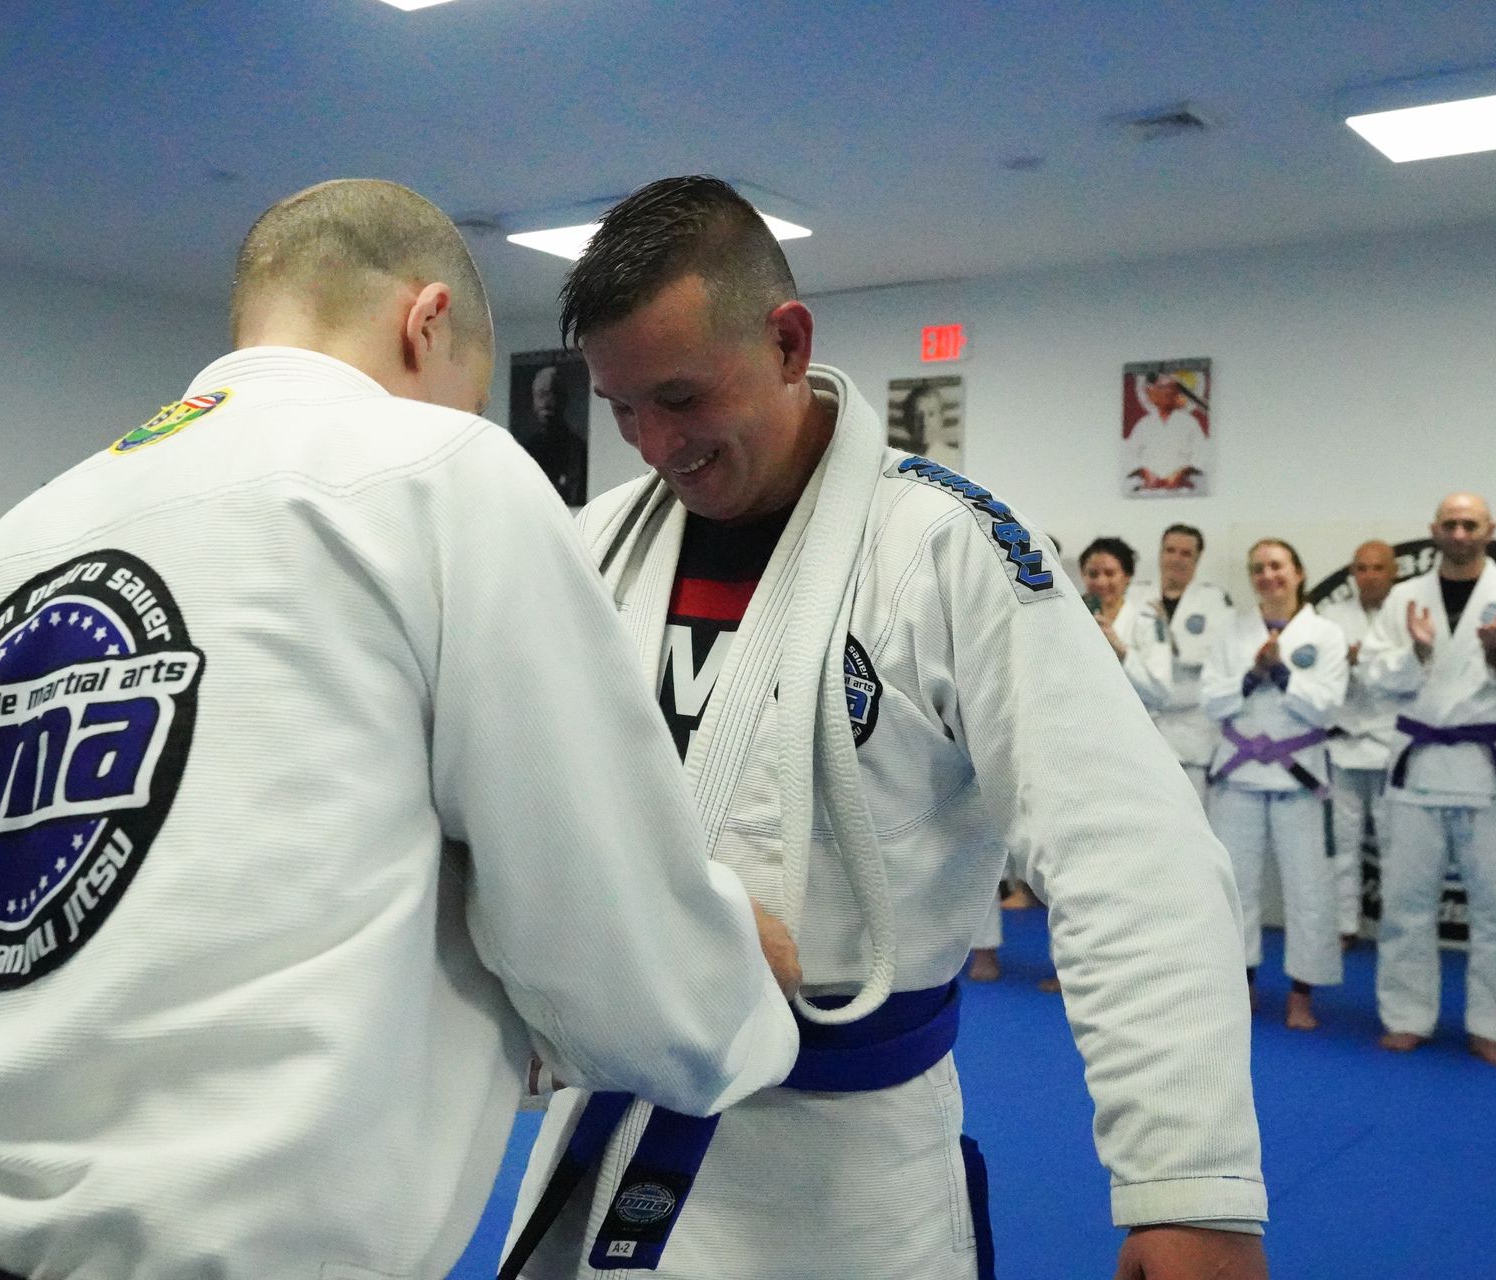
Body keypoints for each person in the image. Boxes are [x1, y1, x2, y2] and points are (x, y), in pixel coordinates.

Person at [0, 179, 804, 1280]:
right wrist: (739, 965)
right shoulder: (441, 470)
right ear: (428, 322)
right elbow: (623, 962)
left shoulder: (1, 552)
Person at [502, 176, 1266, 1280]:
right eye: (622, 407)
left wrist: (1190, 1184)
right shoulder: (596, 543)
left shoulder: (947, 548)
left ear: (787, 340)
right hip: (610, 1125)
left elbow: (1129, 854)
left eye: (679, 395)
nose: (655, 442)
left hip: (837, 1171)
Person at [1359, 492, 1496, 1068]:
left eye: (1469, 523)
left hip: (1488, 773)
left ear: (1489, 530)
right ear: (1433, 531)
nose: (1459, 532)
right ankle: (1406, 1017)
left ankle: (1493, 1027)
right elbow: (1375, 676)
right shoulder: (1403, 596)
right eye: (1449, 523)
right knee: (1404, 904)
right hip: (1419, 769)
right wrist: (1417, 655)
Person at [1201, 539, 1349, 1029]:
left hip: (1300, 774)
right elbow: (1212, 700)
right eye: (1258, 568)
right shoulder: (1230, 631)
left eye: (1277, 566)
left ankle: (1301, 995)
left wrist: (1281, 673)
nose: (1268, 575)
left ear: (1300, 571)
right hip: (1238, 772)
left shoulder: (1326, 635)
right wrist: (1251, 676)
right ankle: (1238, 985)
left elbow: (1326, 706)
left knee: (1309, 888)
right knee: (1234, 887)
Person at [1317, 540, 1408, 946]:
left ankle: (1396, 927)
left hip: (1391, 744)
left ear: (1393, 572)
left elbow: (1416, 673)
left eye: (1377, 568)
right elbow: (1315, 670)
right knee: (1343, 843)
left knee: (1394, 846)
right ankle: (1344, 925)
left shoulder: (1409, 613)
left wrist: (1367, 662)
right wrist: (1343, 662)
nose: (1368, 576)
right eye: (1361, 568)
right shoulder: (1330, 617)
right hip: (1342, 744)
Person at [1127, 525, 1234, 806]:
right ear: (1160, 554)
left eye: (1186, 553)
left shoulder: (1214, 600)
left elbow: (1213, 655)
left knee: (1192, 814)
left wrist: (1163, 636)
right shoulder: (1135, 596)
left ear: (1197, 560)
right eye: (1170, 550)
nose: (1176, 558)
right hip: (1142, 722)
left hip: (1191, 730)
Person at [514, 360, 588, 504]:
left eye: (553, 394)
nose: (546, 402)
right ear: (533, 400)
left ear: (563, 399)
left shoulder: (577, 449)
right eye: (541, 394)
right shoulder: (523, 450)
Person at [1125, 373, 1207, 493]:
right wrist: (1145, 472)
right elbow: (1130, 454)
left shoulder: (1189, 423)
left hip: (1182, 488)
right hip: (1148, 488)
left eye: (1171, 388)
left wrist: (1181, 472)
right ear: (1154, 393)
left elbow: (1201, 453)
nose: (1167, 392)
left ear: (1177, 394)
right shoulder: (1144, 424)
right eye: (1162, 388)